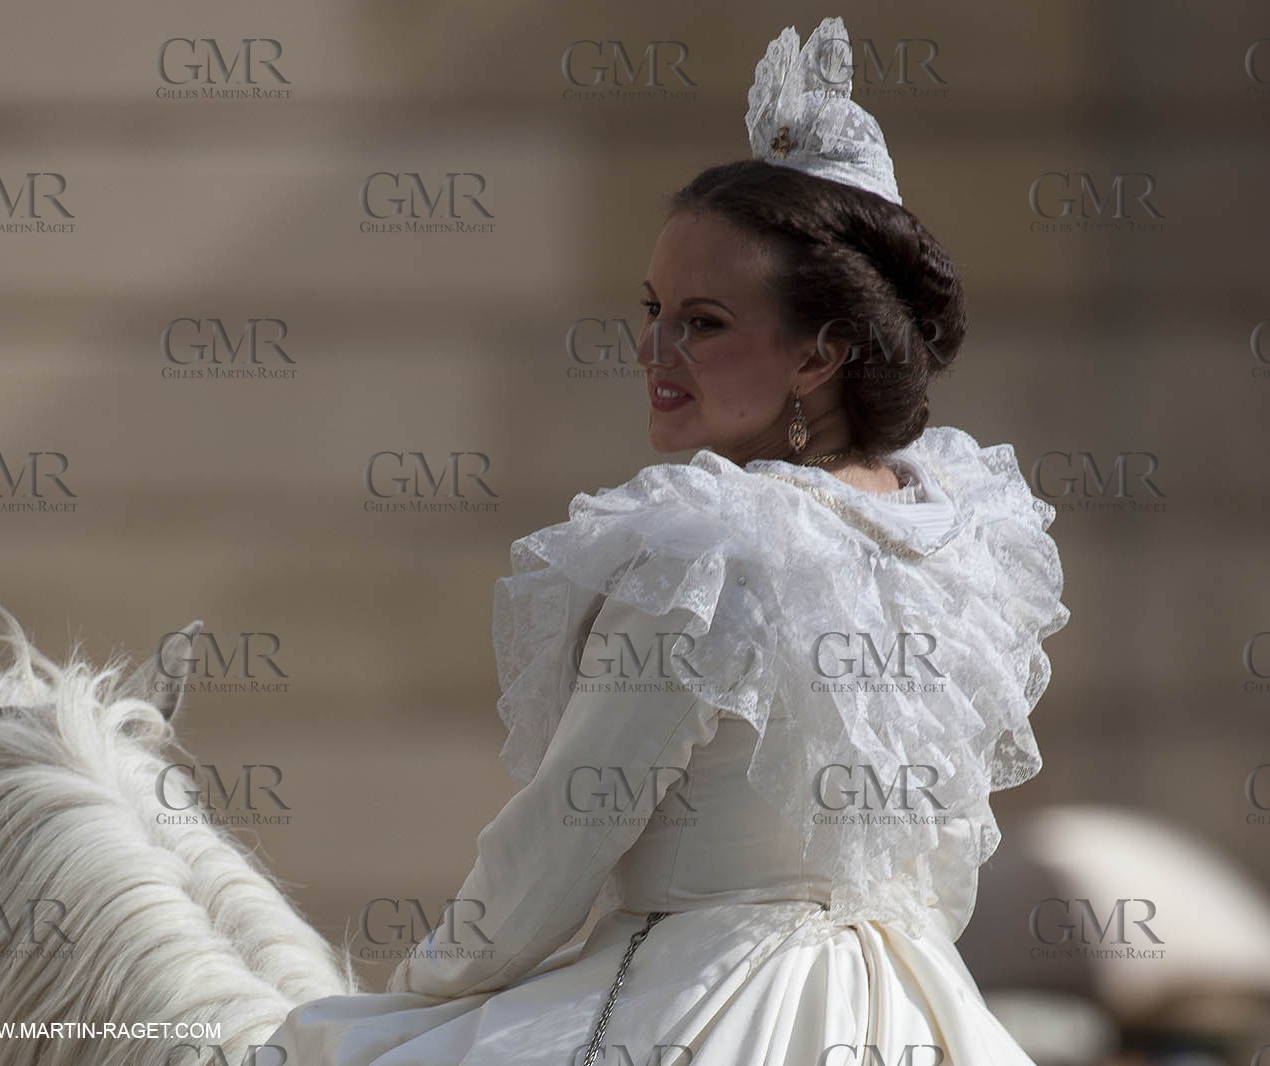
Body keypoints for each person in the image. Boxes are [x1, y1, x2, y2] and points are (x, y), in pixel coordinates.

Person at [268, 16, 1070, 1065]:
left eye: (702, 321)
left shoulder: (716, 548)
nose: (651, 350)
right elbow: (936, 873)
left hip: (701, 1007)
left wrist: (407, 1001)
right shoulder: (958, 530)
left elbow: (558, 843)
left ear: (820, 354)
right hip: (928, 1014)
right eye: (651, 310)